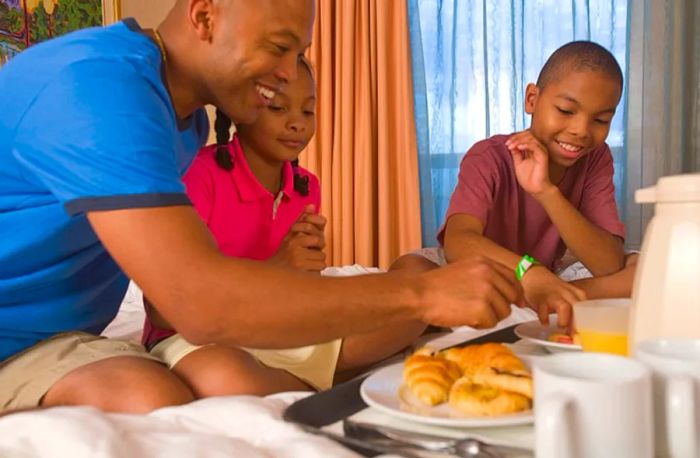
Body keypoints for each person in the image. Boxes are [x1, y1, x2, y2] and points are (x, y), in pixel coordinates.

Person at [0, 0, 522, 414]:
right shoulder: (97, 88)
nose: (288, 72)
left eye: (298, 54)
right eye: (279, 47)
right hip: (19, 340)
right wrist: (421, 294)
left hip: (61, 337)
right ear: (204, 15)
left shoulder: (185, 119)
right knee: (154, 395)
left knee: (161, 391)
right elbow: (198, 304)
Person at [143, 58, 427, 395]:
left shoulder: (306, 187)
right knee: (227, 376)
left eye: (307, 111)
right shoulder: (199, 177)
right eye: (278, 108)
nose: (297, 124)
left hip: (276, 324)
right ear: (239, 110)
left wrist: (304, 275)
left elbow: (296, 294)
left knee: (414, 310)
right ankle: (319, 381)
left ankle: (296, 379)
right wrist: (276, 268)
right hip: (199, 336)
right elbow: (162, 311)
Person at [391, 41, 636, 328]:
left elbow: (608, 263)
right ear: (532, 98)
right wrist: (528, 271)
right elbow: (458, 243)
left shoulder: (595, 159)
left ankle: (560, 295)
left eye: (600, 119)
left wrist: (546, 192)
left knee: (643, 268)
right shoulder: (488, 156)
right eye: (566, 110)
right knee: (407, 271)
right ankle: (546, 294)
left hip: (545, 275)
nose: (581, 130)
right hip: (478, 271)